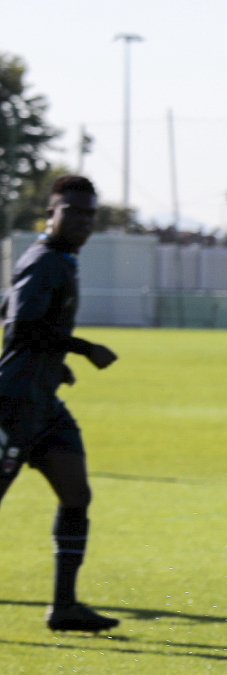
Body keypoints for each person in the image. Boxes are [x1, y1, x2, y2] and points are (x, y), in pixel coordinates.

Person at [0, 176, 121, 632]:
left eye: (90, 213)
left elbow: (12, 314)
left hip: (42, 401)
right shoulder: (45, 261)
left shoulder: (59, 260)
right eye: (73, 212)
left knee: (76, 494)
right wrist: (83, 348)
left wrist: (53, 364)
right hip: (12, 404)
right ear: (51, 214)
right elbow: (20, 328)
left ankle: (64, 607)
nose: (83, 221)